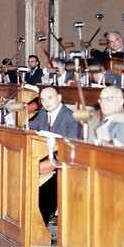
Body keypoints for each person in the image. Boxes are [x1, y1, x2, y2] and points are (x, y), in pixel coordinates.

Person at [28, 85, 81, 225]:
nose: (46, 102)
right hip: (43, 156)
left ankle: (40, 226)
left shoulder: (70, 117)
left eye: (50, 98)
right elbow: (30, 126)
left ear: (59, 98)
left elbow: (73, 147)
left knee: (44, 187)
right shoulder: (44, 113)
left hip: (64, 162)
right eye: (43, 99)